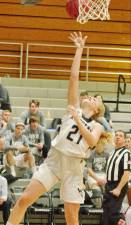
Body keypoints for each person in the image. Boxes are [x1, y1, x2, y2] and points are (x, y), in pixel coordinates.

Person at [6, 32, 110, 225]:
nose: (89, 97)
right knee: (23, 200)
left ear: (96, 110)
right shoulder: (74, 108)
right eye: (89, 96)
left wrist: (78, 118)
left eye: (95, 99)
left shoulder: (95, 125)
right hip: (54, 160)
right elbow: (73, 77)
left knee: (72, 218)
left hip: (74, 168)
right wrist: (79, 49)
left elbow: (92, 141)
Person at [102, 130, 131, 225]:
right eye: (116, 135)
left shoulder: (126, 153)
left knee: (113, 214)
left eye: (121, 136)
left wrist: (118, 188)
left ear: (124, 140)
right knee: (106, 212)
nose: (118, 137)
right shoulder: (112, 153)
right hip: (109, 185)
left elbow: (127, 173)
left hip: (118, 185)